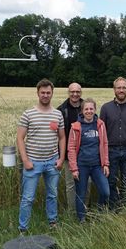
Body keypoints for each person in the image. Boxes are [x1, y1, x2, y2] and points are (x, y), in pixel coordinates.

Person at [17, 79, 65, 232]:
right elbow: (19, 138)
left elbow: (62, 137)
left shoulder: (58, 114)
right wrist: (25, 160)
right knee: (28, 198)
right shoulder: (28, 114)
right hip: (33, 163)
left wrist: (61, 158)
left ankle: (53, 223)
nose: (45, 95)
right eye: (42, 92)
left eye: (48, 92)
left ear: (52, 93)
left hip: (52, 162)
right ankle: (23, 228)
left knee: (52, 195)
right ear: (37, 93)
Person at [99, 77, 126, 210]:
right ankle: (113, 208)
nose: (121, 90)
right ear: (114, 90)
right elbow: (101, 131)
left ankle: (125, 208)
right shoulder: (106, 108)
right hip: (110, 151)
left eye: (124, 88)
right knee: (110, 181)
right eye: (119, 88)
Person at [67, 99, 110, 222]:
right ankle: (81, 220)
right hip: (82, 166)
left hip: (97, 166)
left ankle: (99, 215)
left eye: (91, 109)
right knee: (81, 194)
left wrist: (106, 164)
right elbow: (71, 148)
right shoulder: (76, 127)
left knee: (105, 192)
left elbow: (105, 144)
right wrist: (74, 168)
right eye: (86, 109)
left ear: (95, 110)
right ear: (82, 111)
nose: (89, 111)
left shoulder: (100, 125)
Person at [57, 82, 83, 214]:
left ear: (81, 93)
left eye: (77, 92)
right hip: (68, 154)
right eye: (72, 91)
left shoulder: (86, 107)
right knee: (70, 184)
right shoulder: (61, 109)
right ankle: (72, 212)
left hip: (85, 154)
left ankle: (83, 209)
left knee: (86, 183)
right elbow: (56, 133)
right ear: (68, 93)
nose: (75, 94)